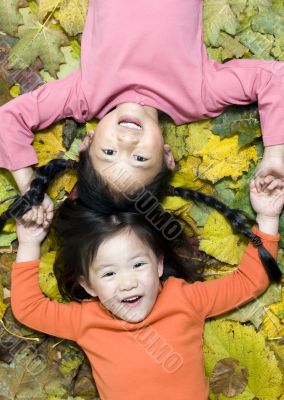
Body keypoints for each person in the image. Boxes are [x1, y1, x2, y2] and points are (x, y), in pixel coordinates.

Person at [10, 176, 283, 399]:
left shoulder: (185, 299)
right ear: (88, 285)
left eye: (138, 265)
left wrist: (268, 217)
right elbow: (28, 308)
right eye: (108, 273)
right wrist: (29, 244)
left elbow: (249, 281)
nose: (128, 283)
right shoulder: (85, 319)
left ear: (159, 265)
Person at [0, 0, 283, 213]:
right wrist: (275, 157)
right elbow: (274, 79)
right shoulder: (196, 97)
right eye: (139, 159)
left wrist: (30, 188)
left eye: (109, 152)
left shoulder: (85, 95)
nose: (127, 141)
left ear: (87, 142)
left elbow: (9, 120)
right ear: (168, 157)